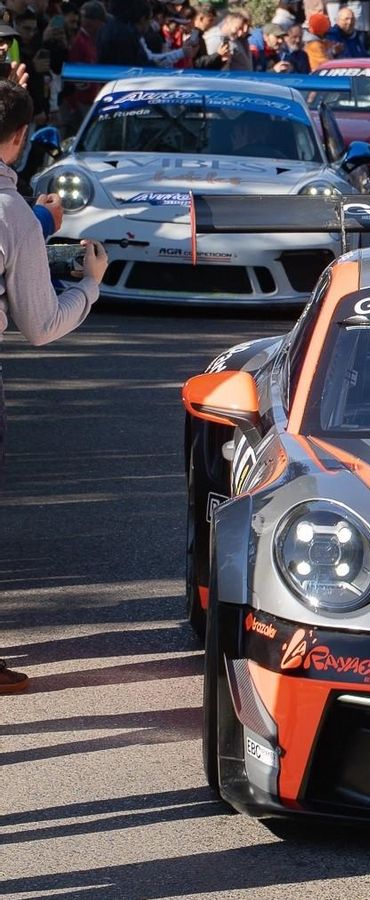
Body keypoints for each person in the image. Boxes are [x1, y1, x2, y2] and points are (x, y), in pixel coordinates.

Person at [0, 80, 107, 693]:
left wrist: (39, 219)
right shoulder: (13, 213)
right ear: (19, 138)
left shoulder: (19, 214)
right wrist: (89, 285)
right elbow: (40, 325)